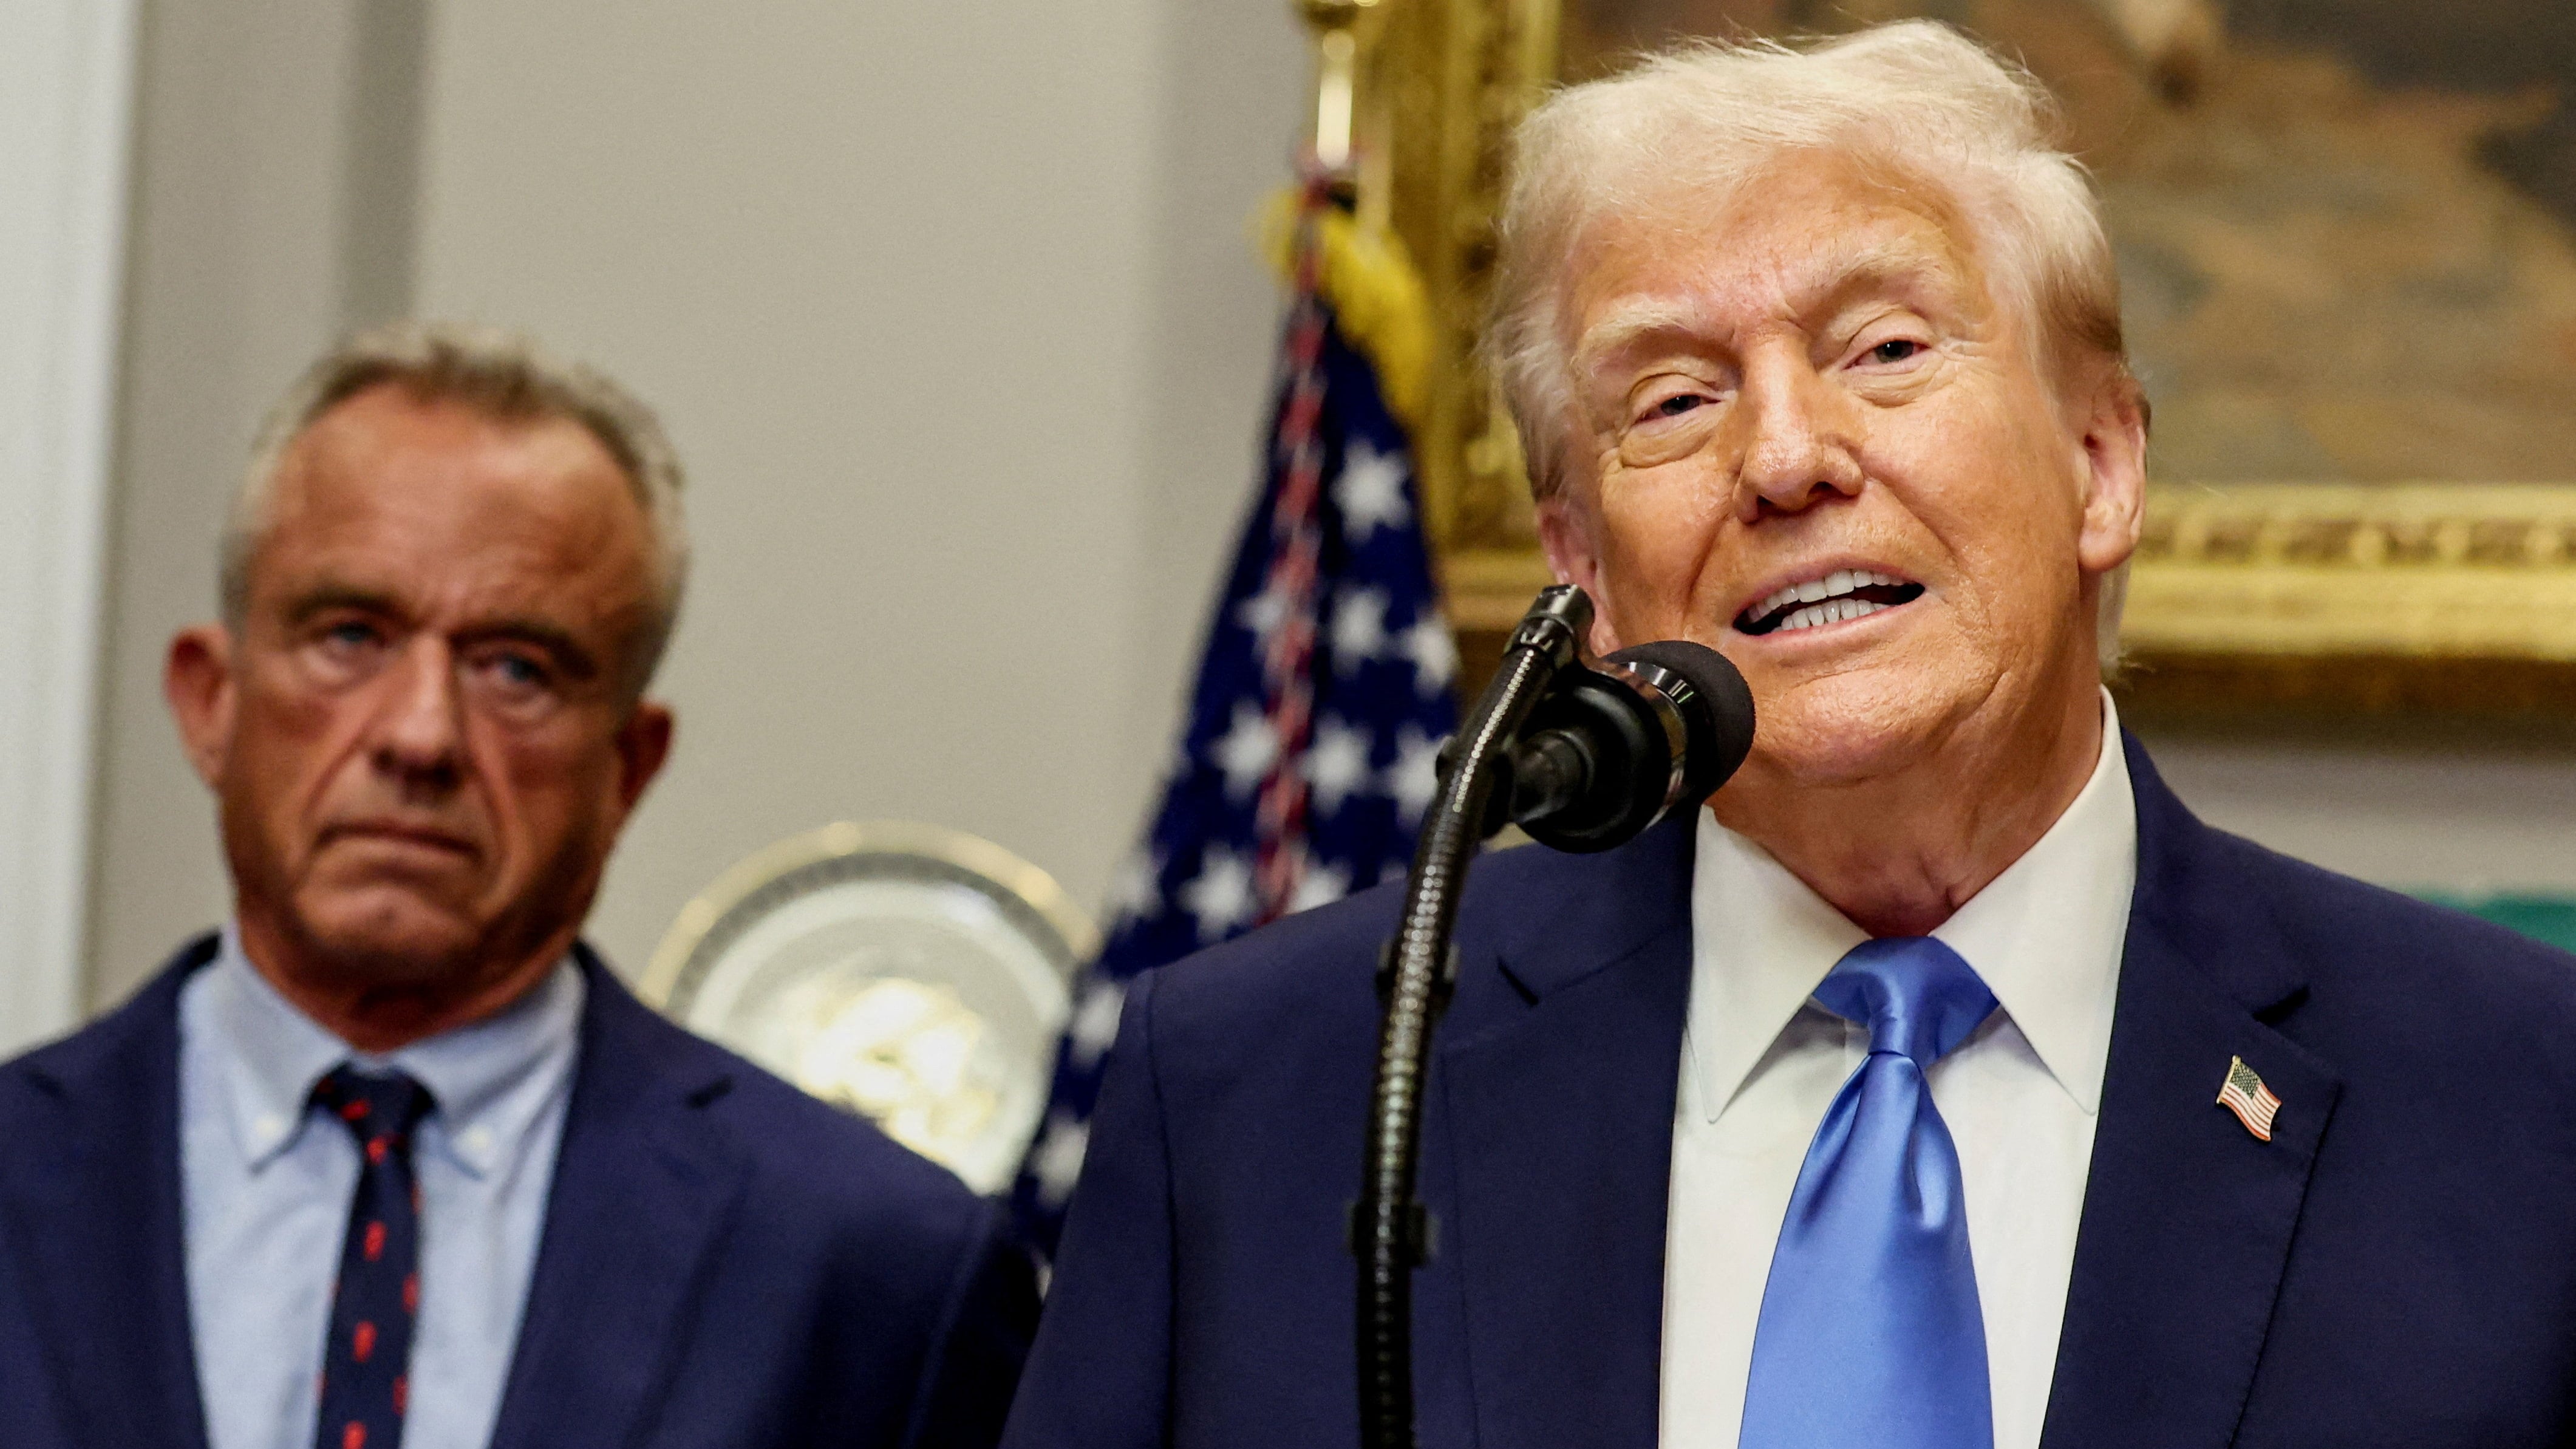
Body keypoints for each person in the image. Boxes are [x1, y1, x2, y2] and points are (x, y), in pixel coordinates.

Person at [1004, 24, 2576, 1449]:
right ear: (1583, 574)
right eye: (1674, 399)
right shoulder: (1260, 1092)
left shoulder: (2518, 1098)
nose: (1783, 456)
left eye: (1884, 351)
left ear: (2100, 462)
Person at [0, 324, 1035, 1449]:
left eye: (516, 670)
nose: (420, 735)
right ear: (211, 703)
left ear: (627, 768)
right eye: (350, 635)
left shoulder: (874, 1268)